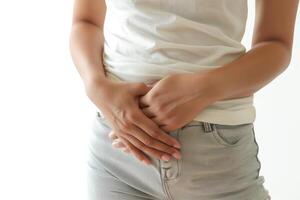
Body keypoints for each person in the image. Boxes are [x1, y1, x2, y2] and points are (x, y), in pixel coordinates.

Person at [69, 0, 299, 199]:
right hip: (116, 151)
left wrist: (204, 88)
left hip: (216, 156)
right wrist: (96, 86)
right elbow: (85, 21)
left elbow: (275, 44)